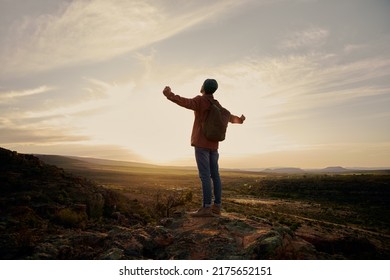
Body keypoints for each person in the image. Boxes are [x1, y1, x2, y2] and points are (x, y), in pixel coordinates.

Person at [163, 79, 245, 217]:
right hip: (214, 145)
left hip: (201, 144)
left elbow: (185, 102)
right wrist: (240, 120)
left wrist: (169, 94)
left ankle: (206, 208)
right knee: (215, 175)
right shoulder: (216, 104)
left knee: (205, 176)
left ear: (203, 87)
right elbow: (229, 117)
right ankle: (217, 206)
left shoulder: (200, 101)